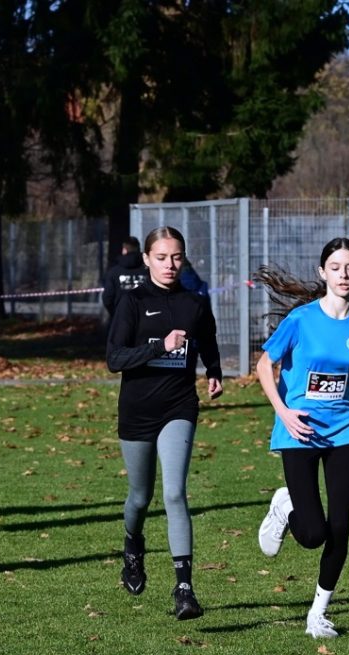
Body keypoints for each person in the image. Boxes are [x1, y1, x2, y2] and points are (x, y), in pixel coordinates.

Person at [255, 237, 349, 639]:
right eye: (335, 267)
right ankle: (285, 506)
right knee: (313, 535)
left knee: (341, 527)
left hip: (344, 431)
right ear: (322, 272)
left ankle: (318, 613)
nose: (343, 274)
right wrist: (283, 411)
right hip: (300, 431)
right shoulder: (301, 320)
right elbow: (264, 364)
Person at [106, 226, 223, 620]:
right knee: (140, 498)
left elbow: (207, 339)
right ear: (146, 259)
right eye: (161, 257)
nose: (170, 264)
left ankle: (184, 588)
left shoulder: (194, 302)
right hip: (137, 410)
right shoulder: (132, 302)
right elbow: (114, 358)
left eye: (176, 257)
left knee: (174, 492)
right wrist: (160, 346)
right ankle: (133, 545)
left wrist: (214, 371)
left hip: (179, 406)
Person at [101, 236, 148, 319]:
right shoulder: (148, 270)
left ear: (124, 250)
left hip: (122, 317)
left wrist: (116, 313)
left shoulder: (114, 272)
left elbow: (107, 298)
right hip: (145, 316)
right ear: (138, 249)